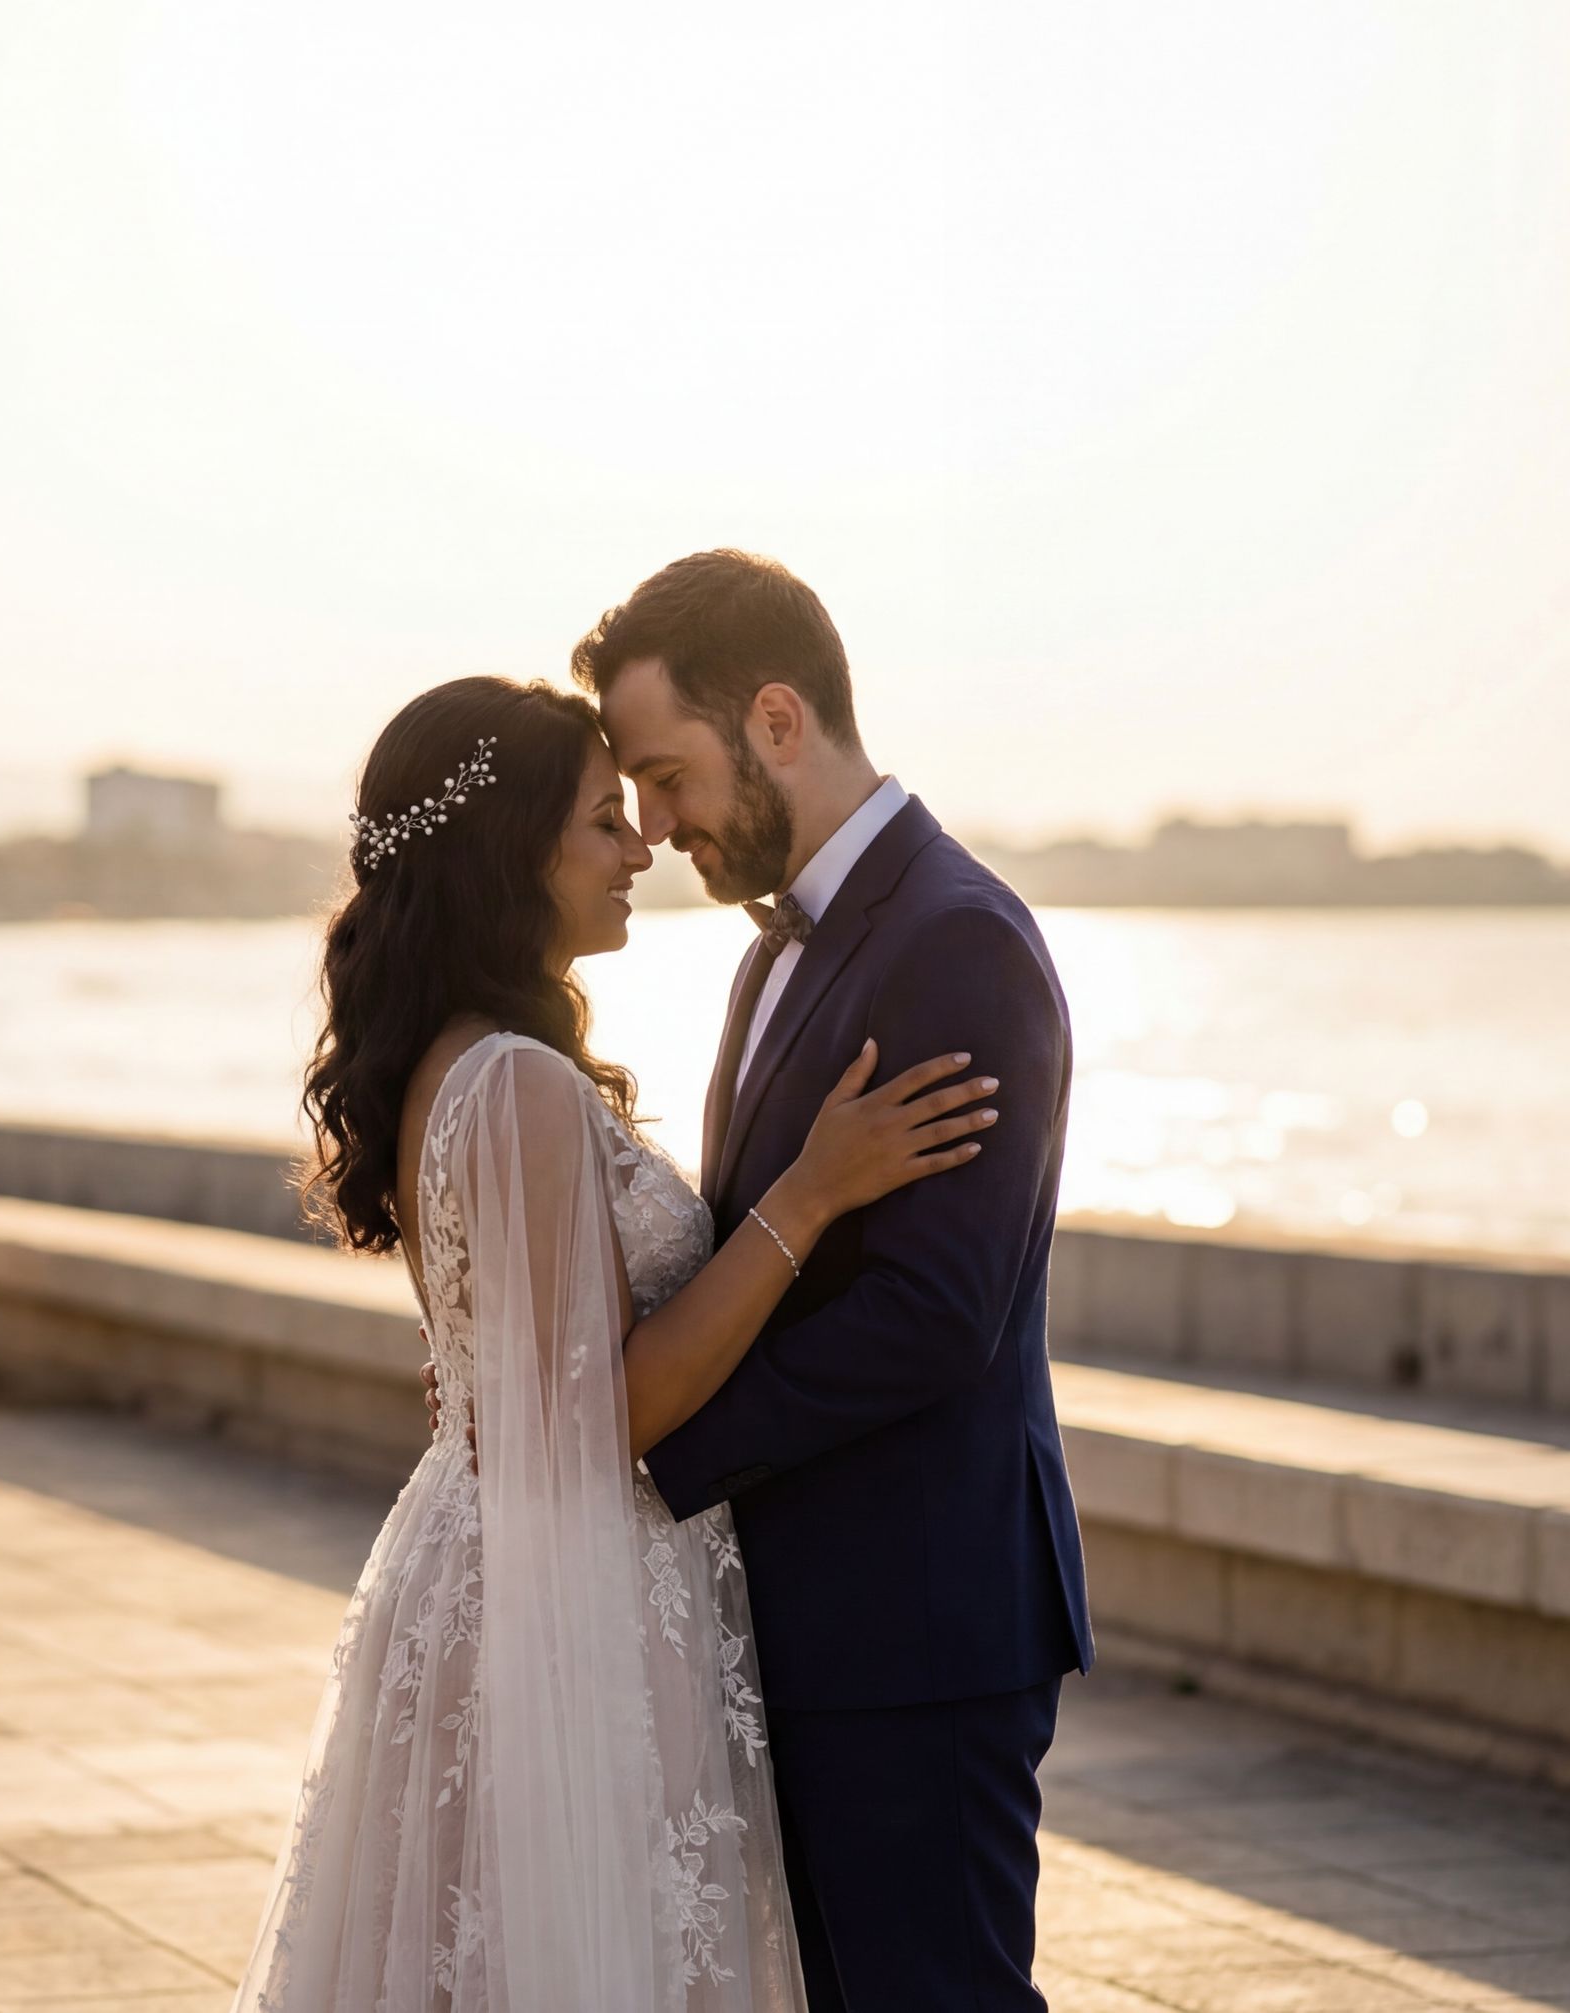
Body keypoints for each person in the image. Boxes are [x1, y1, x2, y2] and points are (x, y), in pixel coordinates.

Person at [232, 675, 1000, 2011]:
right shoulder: (519, 1084)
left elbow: (534, 1369)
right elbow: (617, 1411)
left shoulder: (452, 1064)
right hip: (571, 1579)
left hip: (507, 1546)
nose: (642, 842)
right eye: (602, 819)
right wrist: (809, 1195)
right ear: (510, 858)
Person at [580, 550, 1092, 2010]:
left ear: (779, 719)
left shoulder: (958, 941)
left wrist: (661, 1443)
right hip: (814, 1611)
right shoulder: (767, 957)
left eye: (669, 775)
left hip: (918, 1618)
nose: (658, 823)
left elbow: (937, 1314)